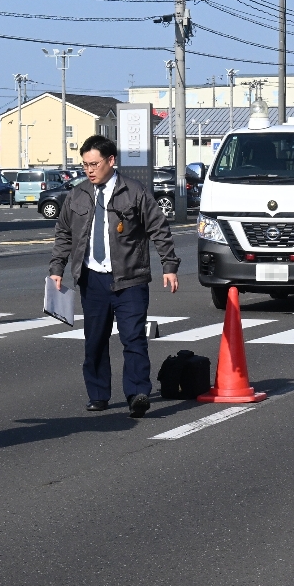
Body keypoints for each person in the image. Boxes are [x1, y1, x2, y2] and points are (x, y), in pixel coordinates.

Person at [49, 135, 180, 418]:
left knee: (133, 338)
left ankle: (137, 394)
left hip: (130, 278)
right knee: (94, 340)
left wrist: (169, 266)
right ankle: (98, 395)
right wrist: (56, 270)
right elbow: (63, 234)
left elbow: (159, 228)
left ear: (111, 161)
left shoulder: (134, 192)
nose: (89, 170)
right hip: (92, 278)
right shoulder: (78, 194)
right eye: (84, 165)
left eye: (94, 164)